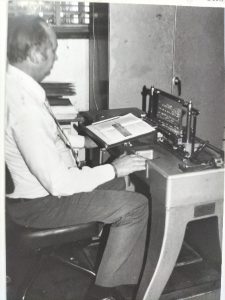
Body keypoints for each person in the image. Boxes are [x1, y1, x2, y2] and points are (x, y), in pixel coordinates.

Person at [5, 15, 149, 300]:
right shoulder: (24, 108)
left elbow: (42, 142)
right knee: (136, 206)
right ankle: (103, 293)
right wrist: (113, 168)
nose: (55, 57)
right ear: (35, 54)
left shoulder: (14, 88)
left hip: (31, 196)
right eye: (54, 50)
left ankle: (116, 268)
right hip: (40, 205)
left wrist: (83, 141)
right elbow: (59, 183)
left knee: (124, 188)